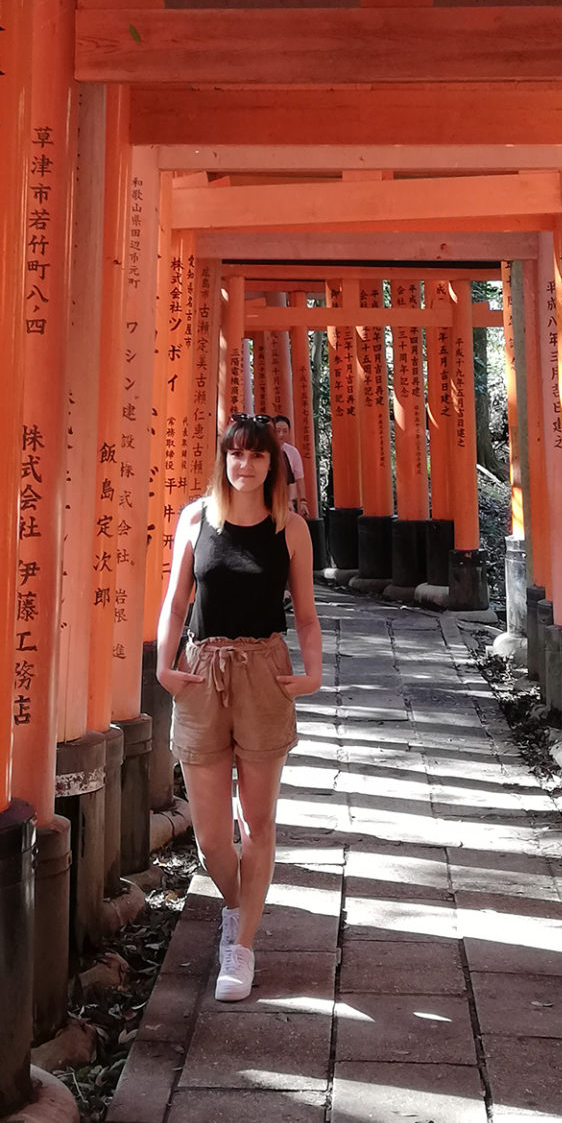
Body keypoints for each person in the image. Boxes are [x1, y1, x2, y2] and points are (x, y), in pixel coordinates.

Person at [155, 412, 322, 1000]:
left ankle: (242, 945)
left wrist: (313, 673)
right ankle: (239, 906)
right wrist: (163, 666)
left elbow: (304, 612)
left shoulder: (290, 528)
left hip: (264, 670)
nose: (245, 464)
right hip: (202, 670)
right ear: (224, 459)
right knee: (210, 836)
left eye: (256, 455)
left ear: (272, 464)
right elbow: (177, 601)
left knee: (258, 821)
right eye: (236, 454)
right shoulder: (195, 519)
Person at [270, 412, 308, 506]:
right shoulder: (265, 450)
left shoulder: (292, 452)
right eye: (278, 431)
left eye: (285, 431)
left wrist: (303, 501)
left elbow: (299, 478)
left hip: (289, 499)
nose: (281, 434)